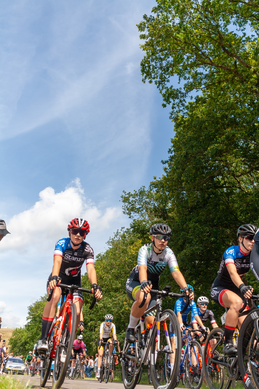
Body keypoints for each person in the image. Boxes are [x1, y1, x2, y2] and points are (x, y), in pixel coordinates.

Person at [37, 218, 102, 352]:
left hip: (74, 282)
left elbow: (90, 268)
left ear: (85, 235)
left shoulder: (88, 249)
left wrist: (94, 285)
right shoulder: (62, 243)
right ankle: (43, 338)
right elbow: (57, 261)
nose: (78, 235)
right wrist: (54, 276)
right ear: (70, 232)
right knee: (55, 297)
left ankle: (67, 342)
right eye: (75, 231)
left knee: (77, 310)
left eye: (82, 232)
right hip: (59, 278)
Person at [125, 223, 194, 343]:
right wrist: (144, 282)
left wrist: (185, 288)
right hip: (136, 281)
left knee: (151, 322)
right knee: (144, 298)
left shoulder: (168, 253)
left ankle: (145, 341)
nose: (163, 240)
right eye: (159, 237)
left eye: (166, 238)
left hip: (154, 285)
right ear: (152, 237)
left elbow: (176, 272)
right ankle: (130, 328)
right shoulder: (145, 249)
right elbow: (142, 268)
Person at [211, 224, 257, 355]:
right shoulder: (231, 252)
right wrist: (242, 286)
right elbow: (232, 272)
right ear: (240, 239)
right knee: (236, 302)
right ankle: (228, 343)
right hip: (221, 287)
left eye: (255, 238)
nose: (253, 241)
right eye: (249, 237)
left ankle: (241, 361)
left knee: (247, 327)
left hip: (237, 289)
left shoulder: (254, 254)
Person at [96, 314, 118, 379]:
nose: (108, 322)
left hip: (108, 338)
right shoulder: (102, 324)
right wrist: (101, 339)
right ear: (105, 320)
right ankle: (99, 370)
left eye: (110, 320)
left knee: (111, 343)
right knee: (100, 355)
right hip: (102, 338)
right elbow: (101, 333)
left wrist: (116, 340)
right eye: (107, 320)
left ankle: (110, 356)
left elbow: (114, 334)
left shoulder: (112, 325)